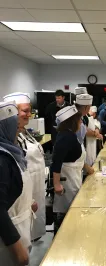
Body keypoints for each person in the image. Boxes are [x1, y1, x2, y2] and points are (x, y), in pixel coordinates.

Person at [4, 92, 46, 242]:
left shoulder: (25, 132)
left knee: (31, 234)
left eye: (30, 110)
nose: (29, 114)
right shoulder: (9, 139)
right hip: (20, 200)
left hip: (34, 188)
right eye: (24, 111)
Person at [0, 101, 32, 266]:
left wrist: (28, 203)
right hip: (7, 242)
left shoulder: (11, 151)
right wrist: (16, 246)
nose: (19, 127)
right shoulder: (2, 159)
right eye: (15, 124)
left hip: (21, 227)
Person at [51, 106, 84, 235]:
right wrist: (57, 184)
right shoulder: (65, 136)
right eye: (79, 120)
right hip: (66, 179)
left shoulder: (70, 134)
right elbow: (56, 161)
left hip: (72, 175)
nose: (81, 122)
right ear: (72, 121)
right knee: (67, 211)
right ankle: (63, 237)